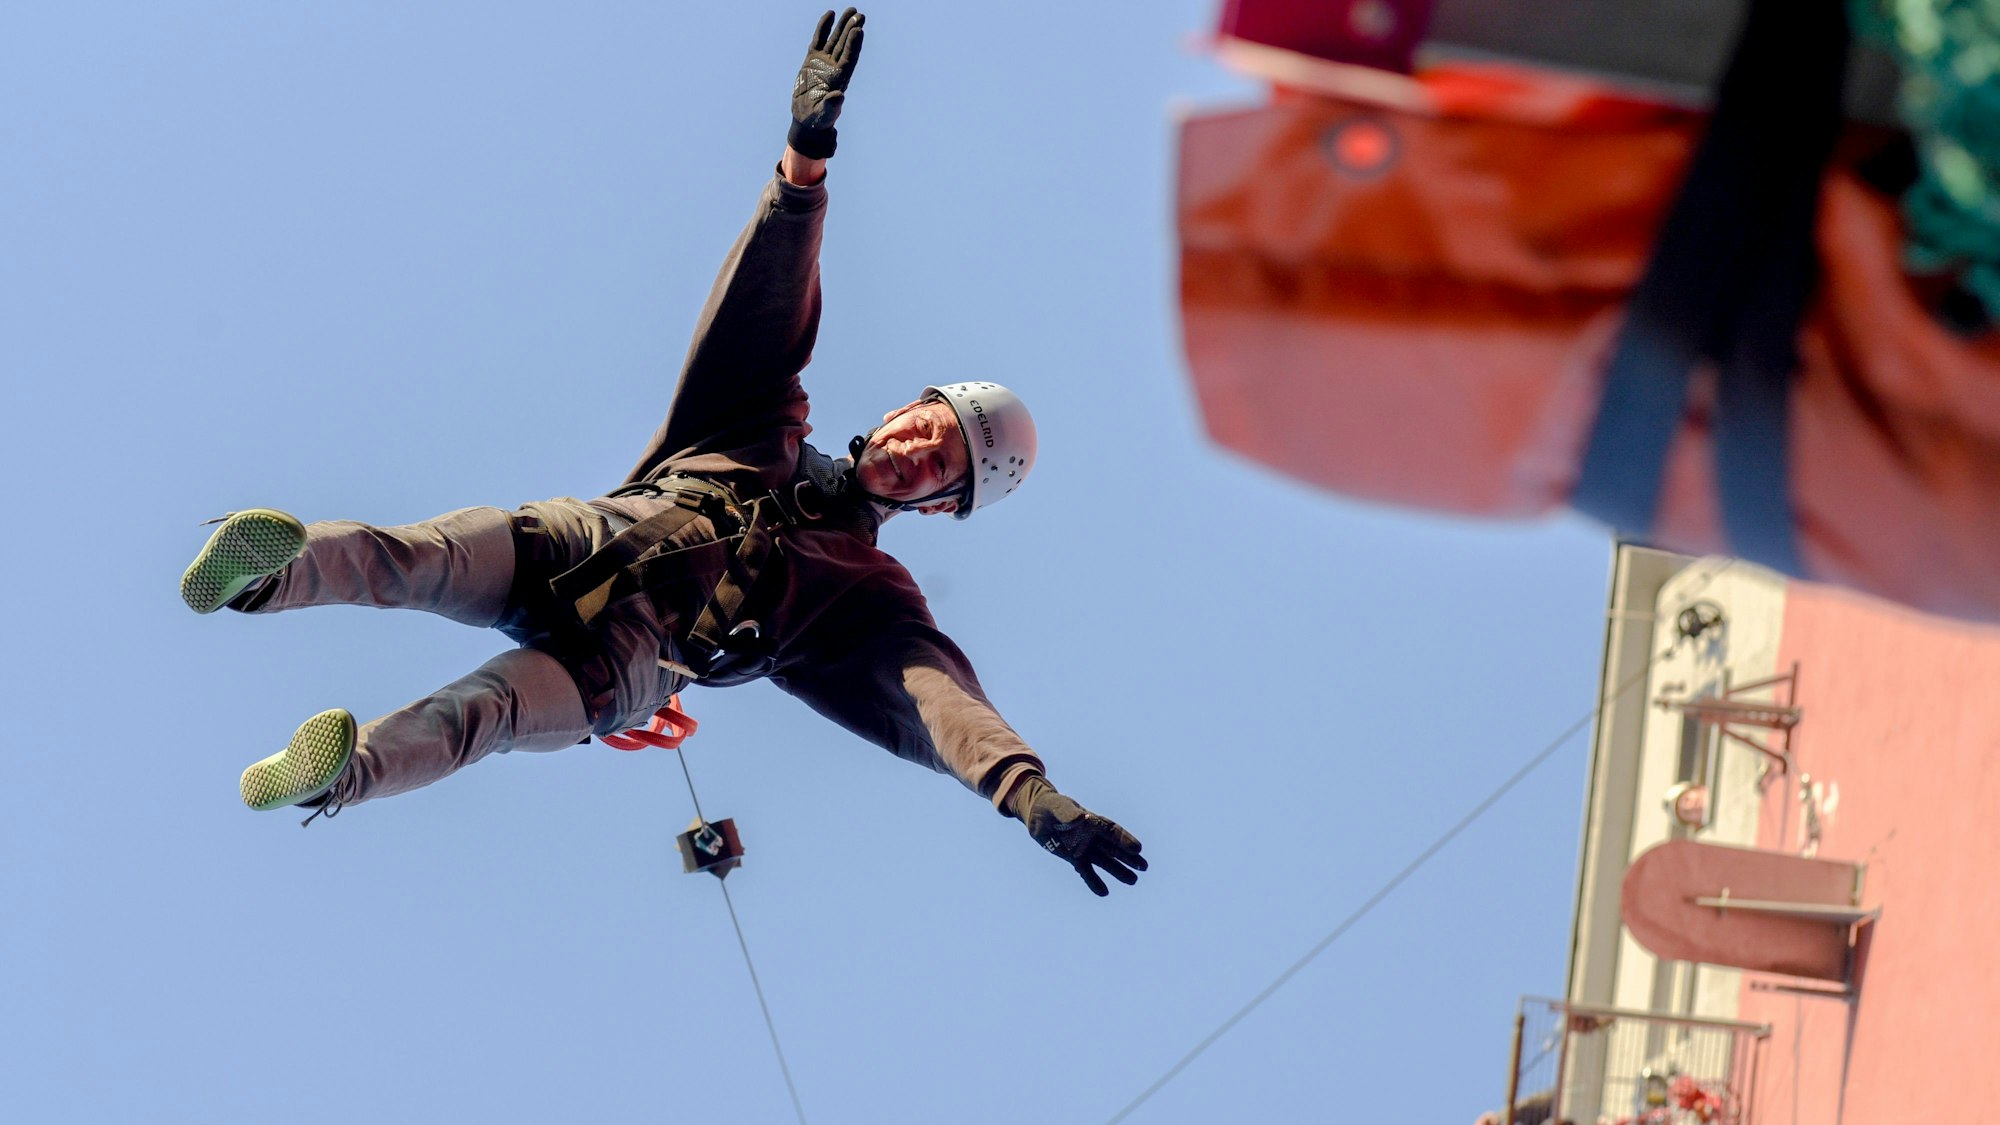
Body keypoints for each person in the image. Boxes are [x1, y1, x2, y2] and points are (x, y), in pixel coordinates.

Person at [179, 8, 1146, 897]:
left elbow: (937, 699)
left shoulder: (867, 597)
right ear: (895, 411)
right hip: (582, 539)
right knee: (420, 556)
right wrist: (804, 164)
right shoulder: (763, 421)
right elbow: (767, 304)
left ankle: (333, 775)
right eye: (924, 424)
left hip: (634, 660)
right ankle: (261, 574)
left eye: (943, 464)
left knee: (486, 713)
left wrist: (1028, 794)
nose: (918, 449)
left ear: (938, 507)